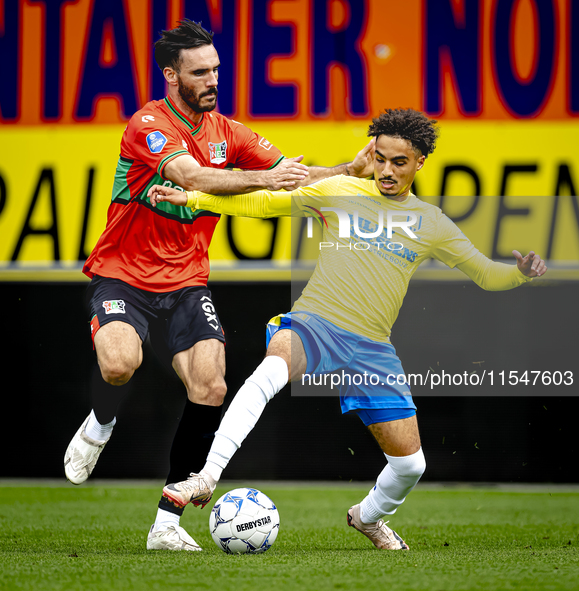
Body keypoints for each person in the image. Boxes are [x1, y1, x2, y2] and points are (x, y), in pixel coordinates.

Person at [149, 107, 547, 550]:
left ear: (419, 163)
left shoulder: (431, 222)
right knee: (269, 371)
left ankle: (369, 517)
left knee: (411, 466)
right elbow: (264, 203)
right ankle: (207, 476)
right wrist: (197, 199)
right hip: (316, 322)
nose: (387, 170)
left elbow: (486, 273)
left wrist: (520, 275)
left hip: (372, 347)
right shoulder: (340, 190)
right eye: (380, 158)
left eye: (399, 162)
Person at [63, 18, 374, 552]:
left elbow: (292, 173)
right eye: (200, 72)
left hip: (187, 280)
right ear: (171, 76)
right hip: (124, 273)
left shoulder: (231, 132)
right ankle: (102, 420)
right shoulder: (147, 125)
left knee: (210, 387)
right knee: (118, 365)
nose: (212, 80)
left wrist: (351, 168)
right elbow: (191, 177)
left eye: (216, 70)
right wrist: (262, 179)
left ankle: (167, 524)